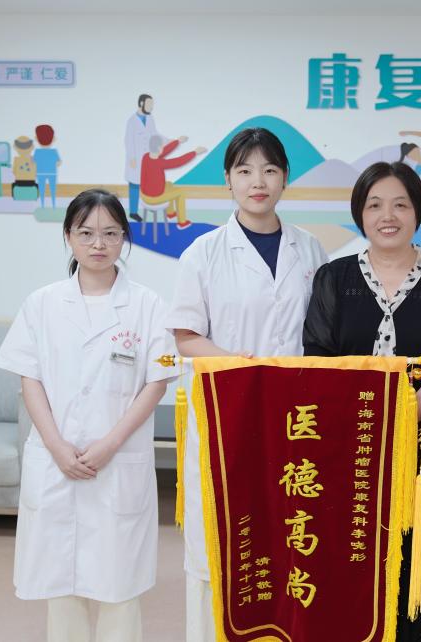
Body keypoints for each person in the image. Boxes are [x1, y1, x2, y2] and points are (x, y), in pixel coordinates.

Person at [166, 127, 328, 642]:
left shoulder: (310, 249)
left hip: (297, 421)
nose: (258, 181)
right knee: (222, 540)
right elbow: (186, 336)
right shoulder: (204, 252)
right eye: (245, 170)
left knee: (289, 538)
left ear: (285, 178)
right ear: (228, 180)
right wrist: (244, 366)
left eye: (269, 170)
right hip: (228, 414)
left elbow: (323, 336)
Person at [303, 160, 421, 642]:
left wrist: (408, 408)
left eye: (400, 204)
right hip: (350, 442)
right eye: (375, 204)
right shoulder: (334, 277)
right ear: (359, 213)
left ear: (418, 212)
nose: (388, 216)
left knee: (415, 561)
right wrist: (368, 411)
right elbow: (318, 357)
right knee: (352, 553)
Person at [0, 189, 172, 642]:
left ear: (124, 238)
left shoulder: (149, 305)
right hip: (57, 460)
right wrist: (56, 446)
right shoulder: (42, 303)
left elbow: (157, 382)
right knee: (61, 585)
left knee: (120, 587)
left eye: (110, 233)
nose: (98, 244)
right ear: (68, 237)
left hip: (119, 461)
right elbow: (30, 379)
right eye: (86, 233)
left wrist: (110, 444)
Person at [139, 135, 206, 230]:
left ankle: (170, 213)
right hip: (153, 198)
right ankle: (182, 223)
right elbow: (179, 161)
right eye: (162, 146)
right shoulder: (159, 163)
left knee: (169, 184)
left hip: (144, 193)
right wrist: (195, 152)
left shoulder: (146, 156)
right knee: (181, 193)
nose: (163, 148)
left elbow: (163, 151)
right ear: (158, 148)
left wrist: (177, 141)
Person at [124, 94, 160, 222]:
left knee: (147, 184)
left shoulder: (150, 118)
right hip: (135, 159)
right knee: (134, 185)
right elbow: (128, 141)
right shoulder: (132, 121)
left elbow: (155, 135)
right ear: (141, 104)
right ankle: (133, 212)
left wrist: (170, 141)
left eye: (152, 104)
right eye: (149, 104)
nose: (151, 107)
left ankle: (148, 206)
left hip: (147, 158)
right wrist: (132, 158)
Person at [34, 124, 62, 209]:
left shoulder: (37, 151)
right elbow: (58, 163)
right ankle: (53, 205)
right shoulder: (53, 151)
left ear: (36, 138)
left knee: (42, 190)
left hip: (41, 173)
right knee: (52, 190)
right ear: (53, 138)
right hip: (52, 173)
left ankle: (42, 205)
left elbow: (34, 162)